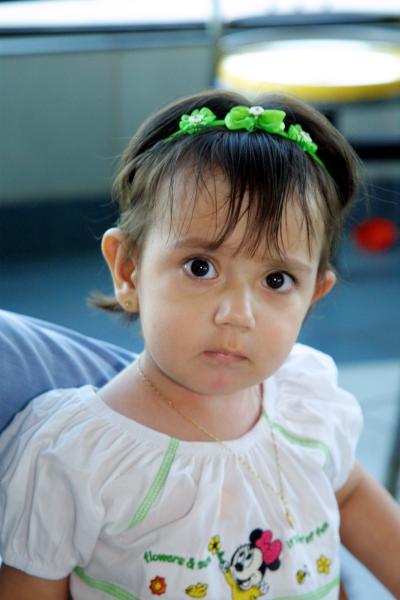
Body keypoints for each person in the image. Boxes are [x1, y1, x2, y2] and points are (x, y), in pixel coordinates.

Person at [0, 90, 399, 600]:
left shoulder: (307, 403)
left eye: (277, 280)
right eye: (200, 268)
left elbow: (351, 495)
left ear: (314, 294)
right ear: (128, 270)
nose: (237, 314)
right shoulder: (75, 456)